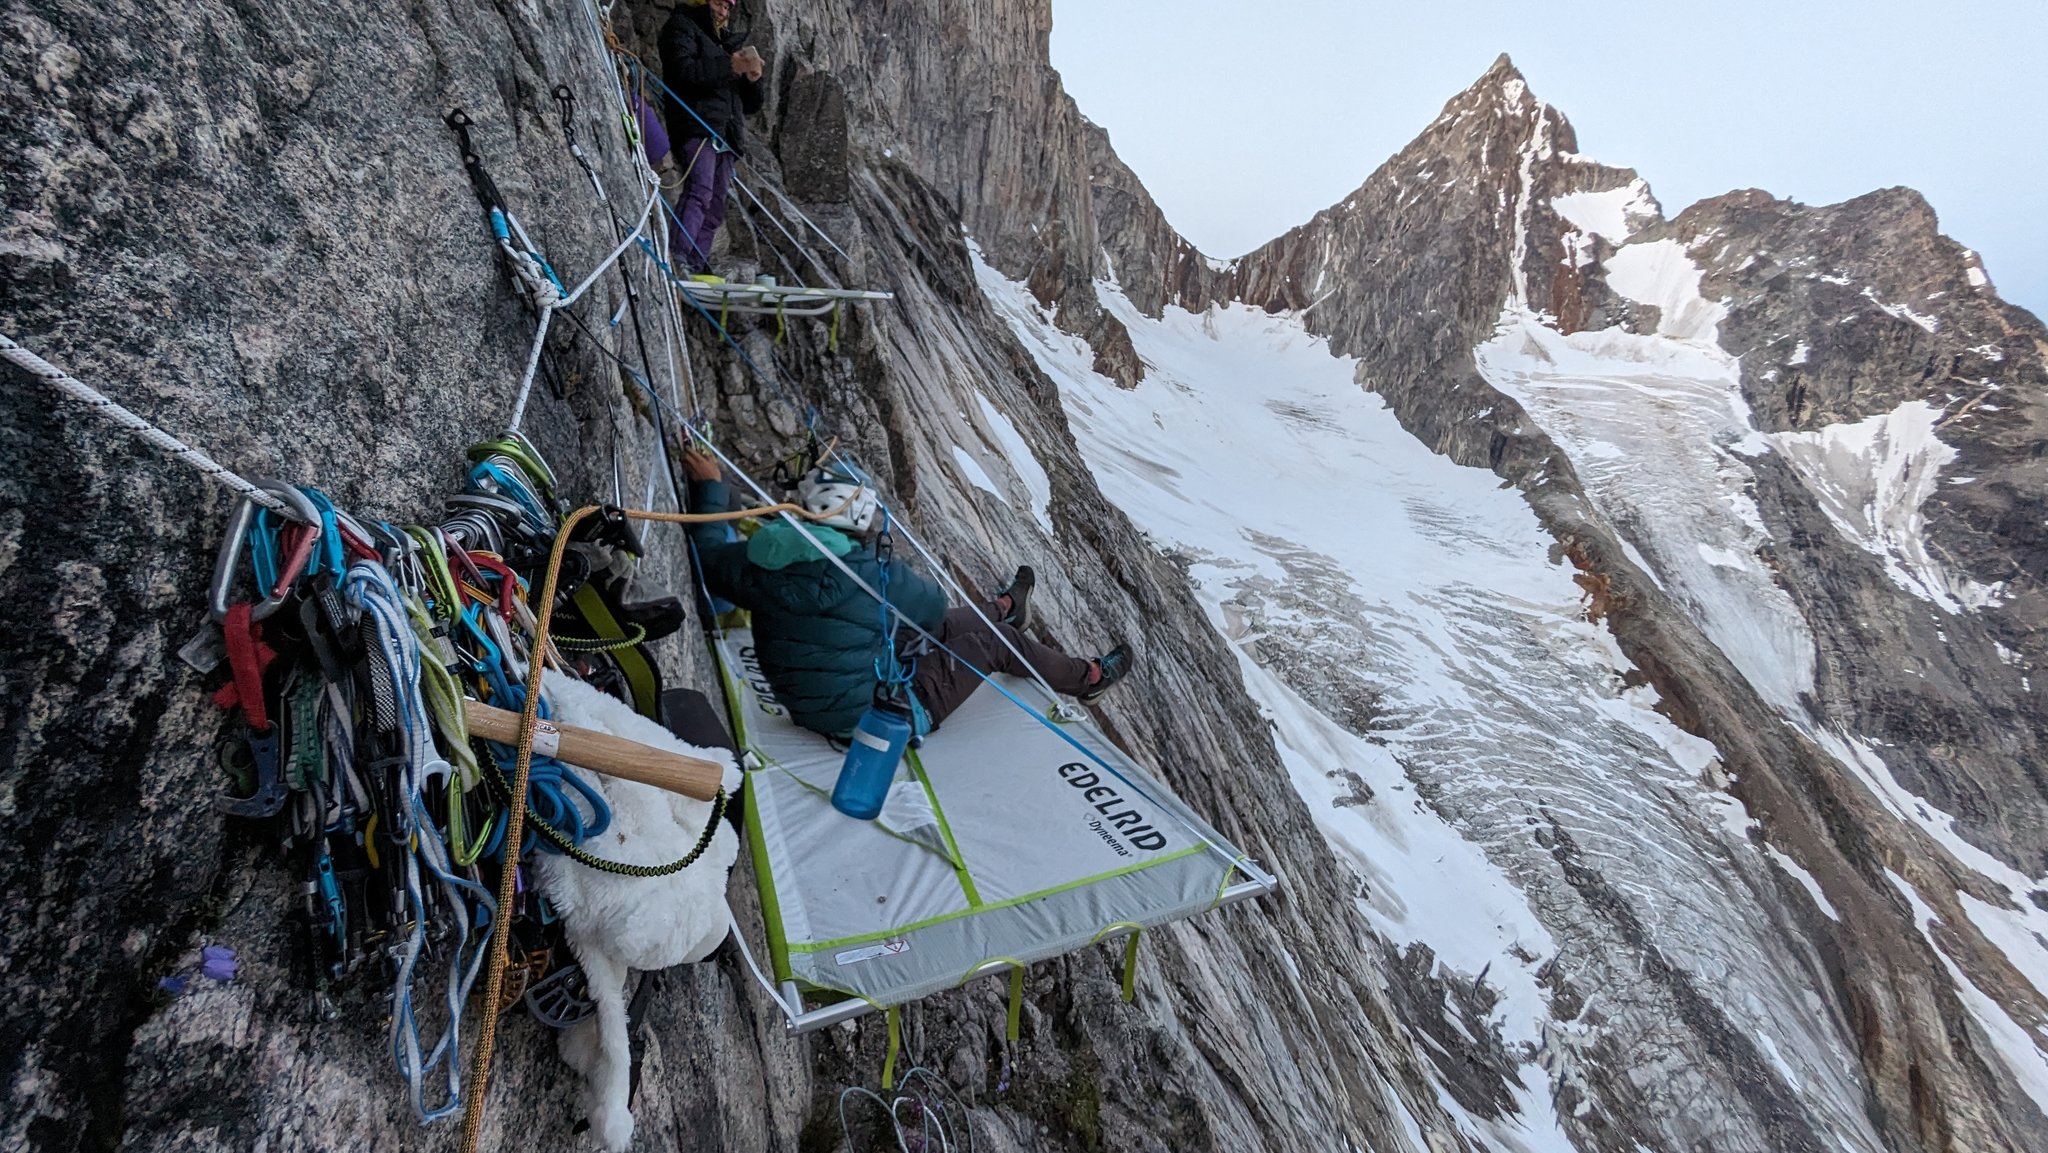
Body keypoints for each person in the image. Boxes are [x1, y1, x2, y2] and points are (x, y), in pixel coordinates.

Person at [683, 451, 1134, 739]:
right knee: (992, 644)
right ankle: (1087, 679)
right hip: (882, 714)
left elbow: (709, 559)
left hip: (815, 698)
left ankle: (1004, 610)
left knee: (945, 627)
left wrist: (710, 487)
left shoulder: (761, 561)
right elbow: (932, 607)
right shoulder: (870, 575)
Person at [658, 0, 764, 274]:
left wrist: (753, 78)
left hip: (725, 133)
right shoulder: (682, 26)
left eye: (728, 8)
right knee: (700, 193)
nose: (723, 11)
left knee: (715, 205)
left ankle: (695, 262)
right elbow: (683, 73)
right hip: (697, 124)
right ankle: (677, 256)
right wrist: (730, 66)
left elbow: (751, 106)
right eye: (719, 3)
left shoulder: (726, 44)